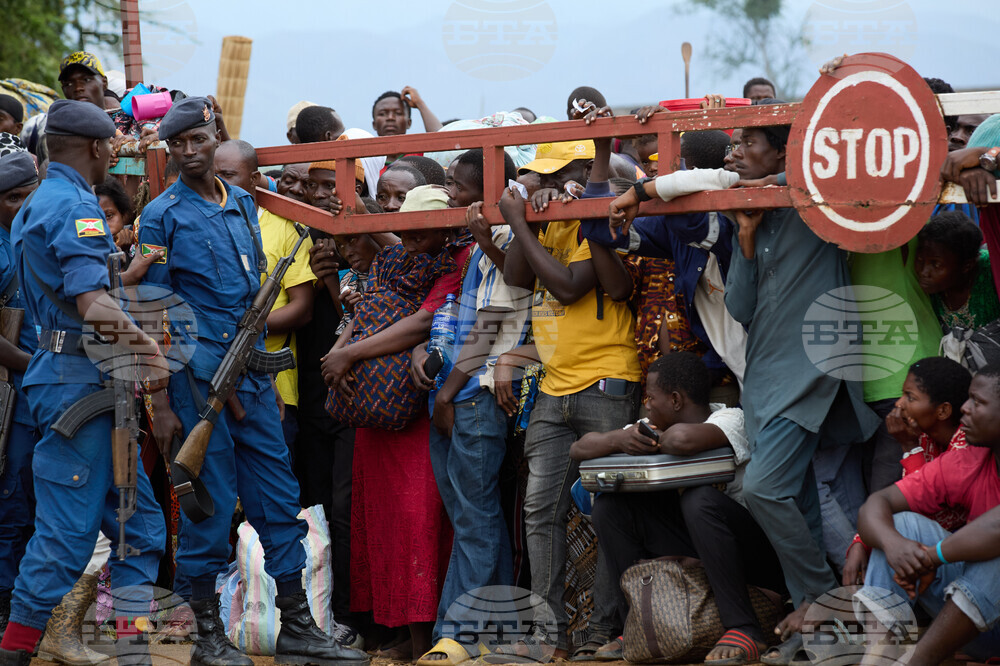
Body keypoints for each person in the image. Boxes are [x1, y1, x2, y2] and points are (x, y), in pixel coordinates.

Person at [136, 96, 368, 666]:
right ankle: (206, 637)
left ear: (215, 136)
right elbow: (150, 309)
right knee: (210, 512)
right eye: (178, 145)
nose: (189, 153)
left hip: (255, 376)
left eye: (197, 140)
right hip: (200, 381)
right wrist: (160, 399)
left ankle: (297, 628)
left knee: (278, 499)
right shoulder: (161, 215)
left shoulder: (242, 204)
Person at [0, 99, 168, 666]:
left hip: (77, 376)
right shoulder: (76, 208)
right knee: (67, 536)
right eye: (112, 149)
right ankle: (16, 651)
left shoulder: (38, 199)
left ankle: (130, 649)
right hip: (80, 381)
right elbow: (92, 302)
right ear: (97, 149)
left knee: (139, 527)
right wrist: (147, 350)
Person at [719, 105, 879, 657]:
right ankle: (821, 627)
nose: (735, 152)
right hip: (762, 375)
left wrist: (770, 184)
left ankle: (819, 596)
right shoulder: (746, 211)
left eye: (748, 141)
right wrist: (743, 236)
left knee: (763, 489)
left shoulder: (813, 200)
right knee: (799, 498)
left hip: (810, 368)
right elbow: (740, 306)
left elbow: (819, 170)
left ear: (783, 152)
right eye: (734, 142)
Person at [499, 137, 642, 660]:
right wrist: (529, 221)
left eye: (556, 174)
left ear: (584, 170)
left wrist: (519, 222)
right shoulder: (549, 217)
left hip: (606, 379)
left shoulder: (595, 218)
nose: (544, 182)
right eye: (540, 175)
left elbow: (566, 287)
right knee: (540, 511)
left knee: (609, 512)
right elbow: (517, 277)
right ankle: (548, 636)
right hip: (555, 386)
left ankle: (602, 633)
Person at [323, 185, 471, 662]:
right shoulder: (394, 259)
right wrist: (340, 353)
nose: (407, 233)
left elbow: (424, 323)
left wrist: (348, 353)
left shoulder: (453, 265)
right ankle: (400, 631)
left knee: (418, 520)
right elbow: (371, 306)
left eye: (418, 226)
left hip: (413, 412)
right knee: (383, 523)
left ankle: (426, 637)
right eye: (401, 224)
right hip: (372, 408)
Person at [572, 353, 786, 666]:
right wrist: (620, 438)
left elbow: (684, 439)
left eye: (651, 397)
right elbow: (578, 449)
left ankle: (744, 628)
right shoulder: (654, 426)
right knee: (610, 507)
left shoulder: (730, 420)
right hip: (699, 544)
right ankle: (635, 624)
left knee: (698, 499)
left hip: (753, 554)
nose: (646, 405)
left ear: (675, 400)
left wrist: (648, 438)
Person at [414, 154, 526, 666]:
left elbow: (488, 326)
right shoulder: (486, 244)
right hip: (465, 390)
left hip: (475, 393)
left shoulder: (503, 240)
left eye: (458, 188)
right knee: (473, 515)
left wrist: (444, 391)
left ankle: (457, 632)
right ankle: (494, 629)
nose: (452, 197)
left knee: (475, 518)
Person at [855, 364, 1000, 665]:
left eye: (978, 402)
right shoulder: (971, 459)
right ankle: (879, 656)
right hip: (980, 625)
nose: (965, 408)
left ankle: (916, 662)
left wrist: (933, 557)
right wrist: (897, 547)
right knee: (900, 525)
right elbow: (877, 503)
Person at [215, 141, 318, 468]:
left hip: (272, 385)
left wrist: (242, 331)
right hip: (209, 376)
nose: (218, 183)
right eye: (213, 174)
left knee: (272, 487)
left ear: (254, 179)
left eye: (228, 175)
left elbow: (302, 308)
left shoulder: (285, 226)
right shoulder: (195, 223)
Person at [843, 357, 973, 586]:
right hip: (938, 557)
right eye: (902, 394)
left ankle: (874, 615)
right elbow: (902, 496)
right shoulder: (924, 436)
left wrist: (908, 447)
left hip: (967, 563)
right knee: (887, 529)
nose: (899, 404)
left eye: (910, 397)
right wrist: (860, 542)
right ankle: (874, 611)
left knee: (900, 525)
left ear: (942, 411)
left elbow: (922, 507)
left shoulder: (966, 445)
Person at [916, 211, 1000, 331]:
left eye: (936, 264)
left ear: (967, 266)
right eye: (920, 260)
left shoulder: (991, 271)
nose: (924, 272)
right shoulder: (928, 292)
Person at [372, 88, 443, 138]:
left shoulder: (419, 155)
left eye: (398, 113)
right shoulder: (366, 159)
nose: (390, 118)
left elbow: (442, 140)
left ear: (409, 123)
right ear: (374, 124)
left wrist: (420, 104)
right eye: (382, 114)